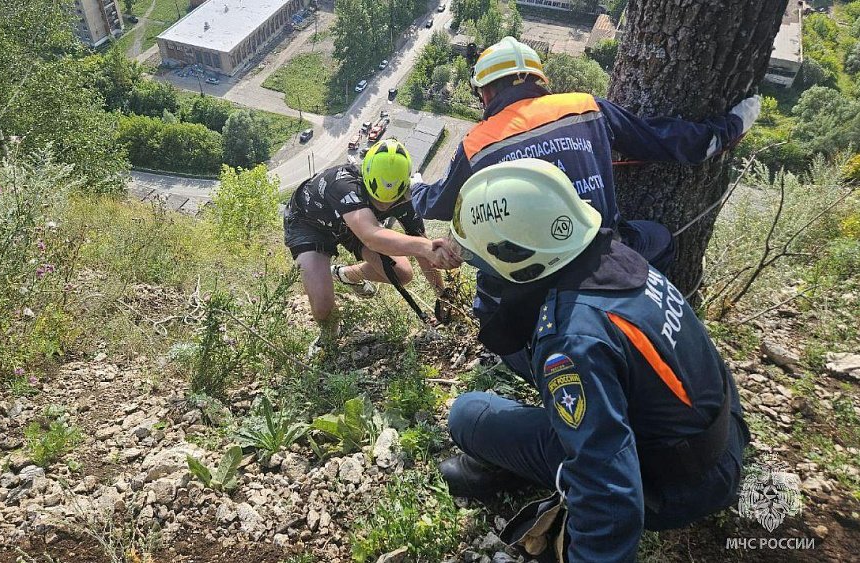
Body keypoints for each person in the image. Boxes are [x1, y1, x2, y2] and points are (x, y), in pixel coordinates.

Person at [442, 159, 750, 562]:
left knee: (468, 414)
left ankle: (512, 468)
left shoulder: (569, 341)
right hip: (722, 436)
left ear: (515, 254)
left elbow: (608, 488)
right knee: (523, 355)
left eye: (480, 259)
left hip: (677, 486)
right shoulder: (616, 256)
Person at [411, 36, 760, 326]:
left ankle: (515, 348)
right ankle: (649, 313)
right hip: (603, 258)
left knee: (490, 303)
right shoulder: (586, 107)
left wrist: (415, 187)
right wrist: (729, 128)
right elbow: (661, 139)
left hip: (529, 281)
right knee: (660, 239)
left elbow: (438, 204)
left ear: (485, 93)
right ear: (538, 80)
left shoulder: (477, 144)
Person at [283, 139, 451, 356]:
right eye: (376, 199)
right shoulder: (343, 184)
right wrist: (424, 246)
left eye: (391, 201)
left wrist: (442, 296)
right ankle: (328, 336)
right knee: (323, 306)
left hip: (356, 224)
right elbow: (371, 236)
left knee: (402, 274)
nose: (385, 206)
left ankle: (345, 274)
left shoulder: (406, 196)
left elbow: (424, 250)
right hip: (310, 224)